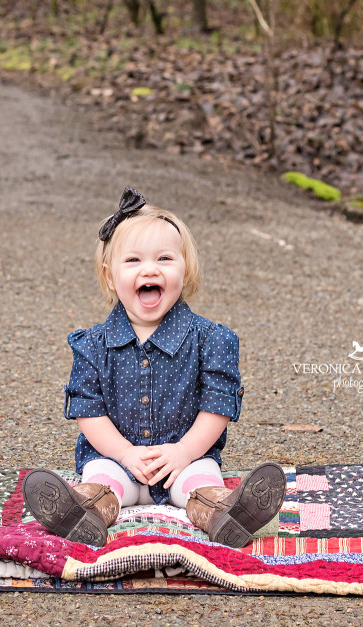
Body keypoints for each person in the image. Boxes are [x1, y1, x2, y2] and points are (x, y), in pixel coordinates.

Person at [22, 187, 286, 548]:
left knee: (201, 487)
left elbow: (217, 407)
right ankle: (81, 513)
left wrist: (185, 451)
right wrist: (125, 454)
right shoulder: (93, 345)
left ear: (185, 269)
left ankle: (228, 514)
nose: (150, 269)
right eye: (133, 261)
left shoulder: (211, 340)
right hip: (116, 458)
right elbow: (88, 411)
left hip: (185, 458)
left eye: (164, 259)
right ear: (111, 276)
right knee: (102, 483)